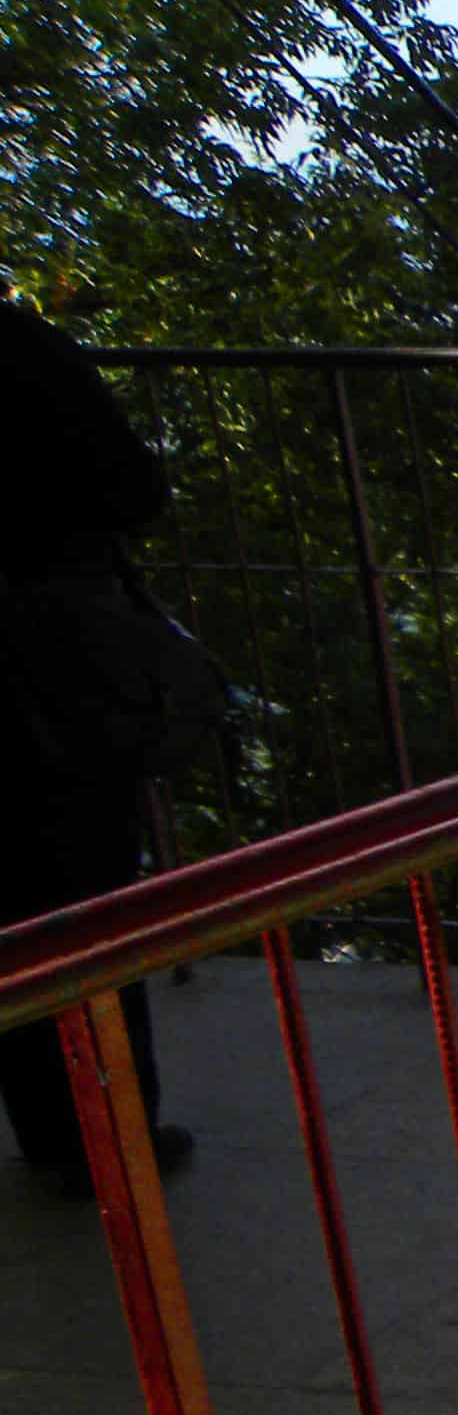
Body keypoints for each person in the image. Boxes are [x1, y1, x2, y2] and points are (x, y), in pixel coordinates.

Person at [0, 290, 213, 1192]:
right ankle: (109, 1132)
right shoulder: (28, 352)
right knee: (85, 897)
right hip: (58, 666)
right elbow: (134, 491)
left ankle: (49, 1128)